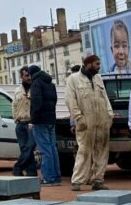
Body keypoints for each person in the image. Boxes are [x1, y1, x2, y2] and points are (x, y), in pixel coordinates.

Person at [66, 54, 114, 191]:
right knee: (84, 151)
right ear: (88, 64)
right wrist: (78, 118)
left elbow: (105, 97)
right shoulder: (73, 79)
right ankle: (77, 180)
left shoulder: (98, 78)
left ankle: (98, 179)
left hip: (102, 120)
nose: (99, 67)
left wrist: (109, 115)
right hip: (85, 121)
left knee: (102, 151)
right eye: (97, 64)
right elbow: (70, 100)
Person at [27, 64, 60, 186]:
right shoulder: (50, 84)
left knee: (45, 150)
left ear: (32, 74)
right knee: (52, 149)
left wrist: (33, 120)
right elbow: (55, 100)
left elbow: (37, 103)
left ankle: (47, 178)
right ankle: (56, 177)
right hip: (51, 119)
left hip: (40, 121)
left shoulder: (36, 84)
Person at [11, 67, 37, 177]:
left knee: (30, 146)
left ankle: (17, 166)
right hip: (20, 123)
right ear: (21, 76)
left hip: (31, 123)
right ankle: (31, 171)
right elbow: (14, 105)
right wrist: (15, 117)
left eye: (29, 75)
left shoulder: (35, 88)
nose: (29, 77)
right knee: (24, 148)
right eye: (26, 75)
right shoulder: (17, 90)